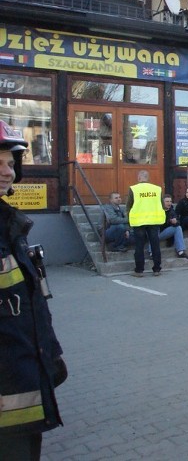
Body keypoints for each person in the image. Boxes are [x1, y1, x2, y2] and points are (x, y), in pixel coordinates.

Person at [0, 120, 67, 459]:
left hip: (24, 381)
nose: (7, 172)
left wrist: (50, 354)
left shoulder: (9, 225)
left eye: (10, 163)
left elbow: (30, 303)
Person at [127, 170, 165, 278]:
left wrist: (128, 220)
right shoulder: (157, 189)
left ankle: (139, 271)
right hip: (154, 220)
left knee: (139, 246)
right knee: (155, 245)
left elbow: (128, 206)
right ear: (148, 178)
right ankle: (157, 269)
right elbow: (162, 204)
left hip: (139, 221)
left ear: (139, 178)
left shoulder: (133, 189)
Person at [159, 194, 188, 259]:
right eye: (167, 201)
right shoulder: (157, 210)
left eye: (170, 201)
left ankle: (181, 251)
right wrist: (168, 221)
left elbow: (178, 222)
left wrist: (175, 222)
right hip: (156, 232)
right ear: (162, 202)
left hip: (163, 233)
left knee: (178, 227)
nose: (169, 203)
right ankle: (152, 253)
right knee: (152, 230)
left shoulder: (171, 211)